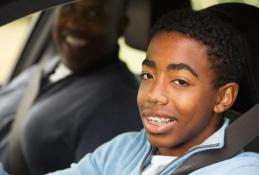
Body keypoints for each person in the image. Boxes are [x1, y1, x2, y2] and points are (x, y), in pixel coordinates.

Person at [47, 8, 259, 175]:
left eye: (180, 82)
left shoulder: (241, 170)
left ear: (224, 97)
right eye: (148, 76)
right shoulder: (123, 148)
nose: (153, 95)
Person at [0, 0, 142, 174]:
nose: (75, 23)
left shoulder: (118, 103)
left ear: (121, 26)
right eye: (68, 7)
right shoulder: (43, 69)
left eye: (93, 15)